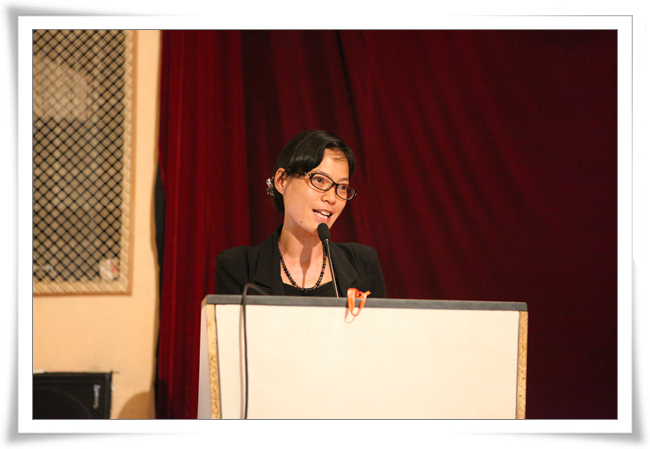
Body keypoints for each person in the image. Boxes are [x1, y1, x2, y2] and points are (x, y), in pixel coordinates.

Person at [215, 130, 386, 298]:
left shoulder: (362, 264)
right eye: (319, 180)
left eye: (341, 187)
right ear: (282, 181)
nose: (331, 198)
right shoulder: (239, 268)